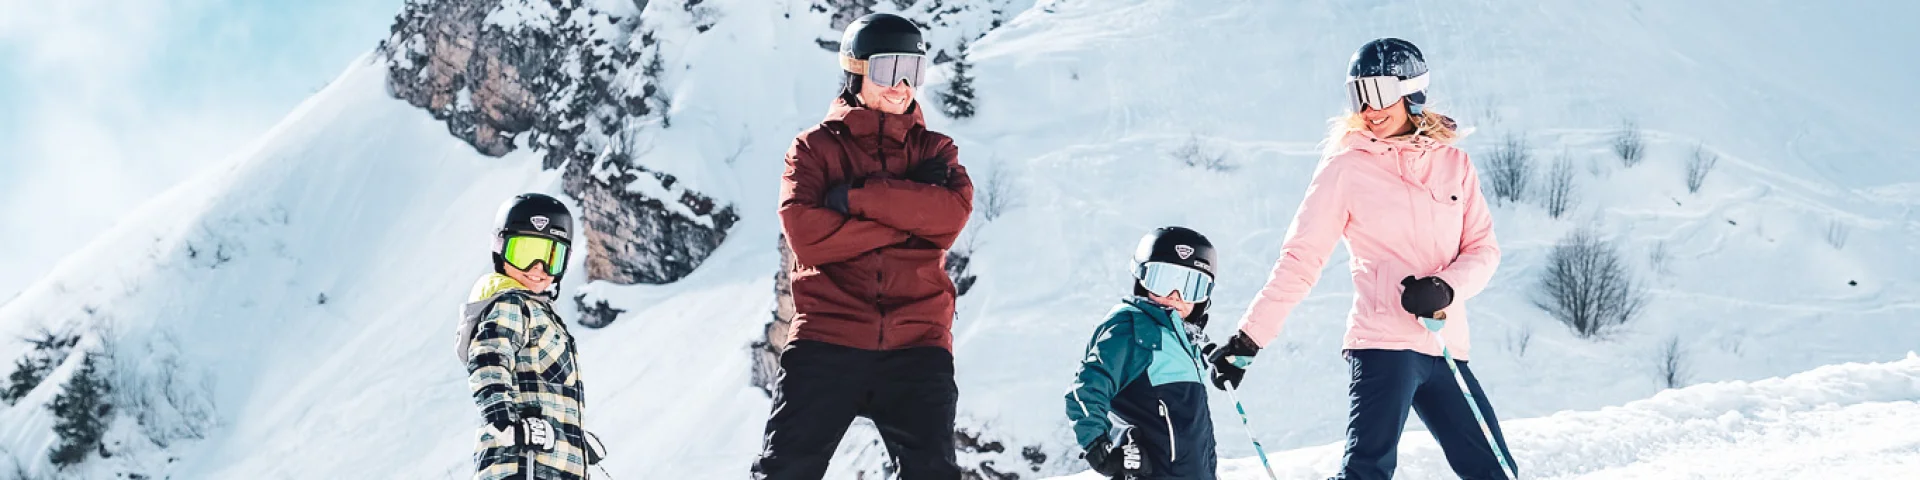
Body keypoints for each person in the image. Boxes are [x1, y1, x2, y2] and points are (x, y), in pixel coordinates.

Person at [1205, 38, 1516, 480]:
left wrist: (1447, 287)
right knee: (1365, 473)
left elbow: (1484, 250)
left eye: (1380, 92)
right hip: (1383, 345)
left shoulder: (1455, 165)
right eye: (1359, 94)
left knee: (1497, 471)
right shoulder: (1345, 168)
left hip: (1446, 345)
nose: (1369, 107)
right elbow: (1300, 258)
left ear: (1412, 91)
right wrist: (1248, 340)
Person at [752, 12, 974, 480]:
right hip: (828, 336)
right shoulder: (813, 149)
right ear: (854, 71)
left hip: (918, 342)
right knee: (785, 470)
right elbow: (808, 237)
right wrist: (910, 219)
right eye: (886, 70)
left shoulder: (936, 151)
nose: (901, 86)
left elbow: (950, 217)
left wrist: (856, 199)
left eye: (912, 71)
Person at [457, 193, 602, 479]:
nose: (538, 269)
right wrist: (503, 420)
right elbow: (489, 358)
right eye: (525, 253)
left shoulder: (542, 315)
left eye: (551, 257)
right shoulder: (512, 304)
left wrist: (573, 439)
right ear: (501, 251)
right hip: (522, 466)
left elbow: (542, 394)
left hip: (551, 467)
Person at [1066, 227, 1221, 480]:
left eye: (1190, 287)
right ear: (1141, 279)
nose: (1175, 296)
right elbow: (1084, 390)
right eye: (1163, 281)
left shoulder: (1184, 342)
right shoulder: (1129, 327)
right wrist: (1099, 446)